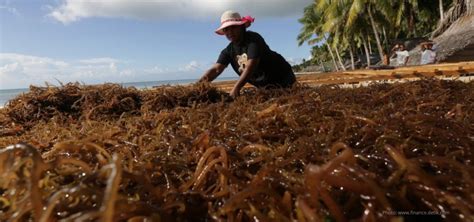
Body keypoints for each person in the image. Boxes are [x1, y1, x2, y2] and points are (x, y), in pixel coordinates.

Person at [198, 10, 296, 98]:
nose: (230, 32)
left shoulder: (253, 39)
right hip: (265, 86)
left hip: (283, 78)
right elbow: (216, 69)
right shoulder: (228, 51)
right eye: (226, 29)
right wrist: (196, 86)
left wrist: (236, 88)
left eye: (233, 27)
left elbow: (251, 66)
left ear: (241, 27)